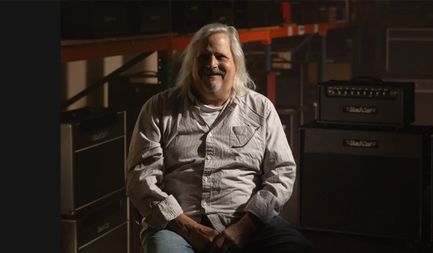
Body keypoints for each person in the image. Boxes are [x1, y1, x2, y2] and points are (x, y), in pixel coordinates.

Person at [126, 22, 314, 253]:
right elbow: (141, 180)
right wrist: (190, 229)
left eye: (220, 56)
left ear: (235, 64)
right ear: (191, 64)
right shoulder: (157, 108)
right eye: (203, 57)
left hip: (250, 223)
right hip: (176, 226)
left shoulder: (261, 109)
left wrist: (245, 226)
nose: (211, 64)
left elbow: (282, 172)